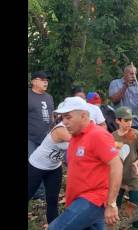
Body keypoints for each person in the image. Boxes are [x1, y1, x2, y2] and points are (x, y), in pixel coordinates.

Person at [48, 97, 123, 230]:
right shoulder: (75, 137)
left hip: (93, 200)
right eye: (62, 118)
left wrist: (111, 204)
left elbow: (117, 166)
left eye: (68, 117)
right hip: (78, 200)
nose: (64, 122)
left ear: (83, 115)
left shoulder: (98, 135)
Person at [28, 112, 70, 225]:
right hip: (37, 166)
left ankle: (53, 227)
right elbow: (81, 141)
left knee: (52, 201)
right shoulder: (60, 129)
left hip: (54, 168)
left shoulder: (74, 128)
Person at [112, 106, 138, 228]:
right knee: (114, 203)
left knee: (136, 203)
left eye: (130, 120)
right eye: (126, 120)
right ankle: (112, 225)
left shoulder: (136, 134)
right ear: (118, 121)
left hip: (133, 176)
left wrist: (136, 163)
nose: (129, 123)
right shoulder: (112, 137)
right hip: (118, 177)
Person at [28, 71, 54, 200]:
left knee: (45, 163)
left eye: (47, 80)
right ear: (33, 81)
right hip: (30, 137)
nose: (45, 82)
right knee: (33, 163)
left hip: (46, 138)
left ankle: (42, 192)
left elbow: (51, 116)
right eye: (42, 79)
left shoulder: (49, 97)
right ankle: (37, 193)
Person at [109, 63, 138, 131]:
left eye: (135, 74)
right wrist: (125, 85)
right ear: (124, 74)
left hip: (136, 123)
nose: (133, 76)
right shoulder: (115, 83)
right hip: (120, 123)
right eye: (131, 74)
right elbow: (114, 100)